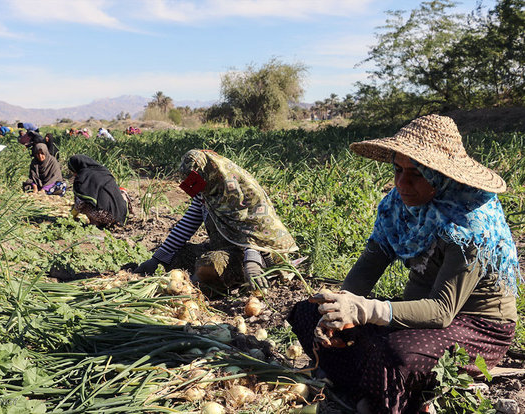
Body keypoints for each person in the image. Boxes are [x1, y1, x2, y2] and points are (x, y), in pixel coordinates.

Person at [287, 115, 520, 414]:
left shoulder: (472, 223)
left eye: (416, 173)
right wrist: (340, 306)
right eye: (398, 169)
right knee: (310, 313)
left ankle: (369, 390)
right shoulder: (397, 206)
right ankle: (367, 388)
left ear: (440, 175)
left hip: (478, 326)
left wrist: (365, 309)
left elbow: (441, 311)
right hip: (419, 312)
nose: (401, 182)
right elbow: (370, 264)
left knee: (394, 353)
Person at [134, 149, 298, 289]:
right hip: (222, 247)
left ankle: (214, 280)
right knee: (177, 255)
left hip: (253, 252)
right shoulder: (207, 191)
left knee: (211, 264)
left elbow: (252, 228)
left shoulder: (238, 190)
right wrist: (156, 259)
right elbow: (187, 225)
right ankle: (206, 279)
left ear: (208, 172)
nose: (194, 186)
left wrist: (252, 262)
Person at [68, 155, 130, 229]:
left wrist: (72, 215)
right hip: (119, 215)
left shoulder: (83, 177)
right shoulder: (103, 171)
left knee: (86, 202)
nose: (74, 174)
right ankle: (108, 222)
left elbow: (80, 203)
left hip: (104, 215)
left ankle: (95, 223)